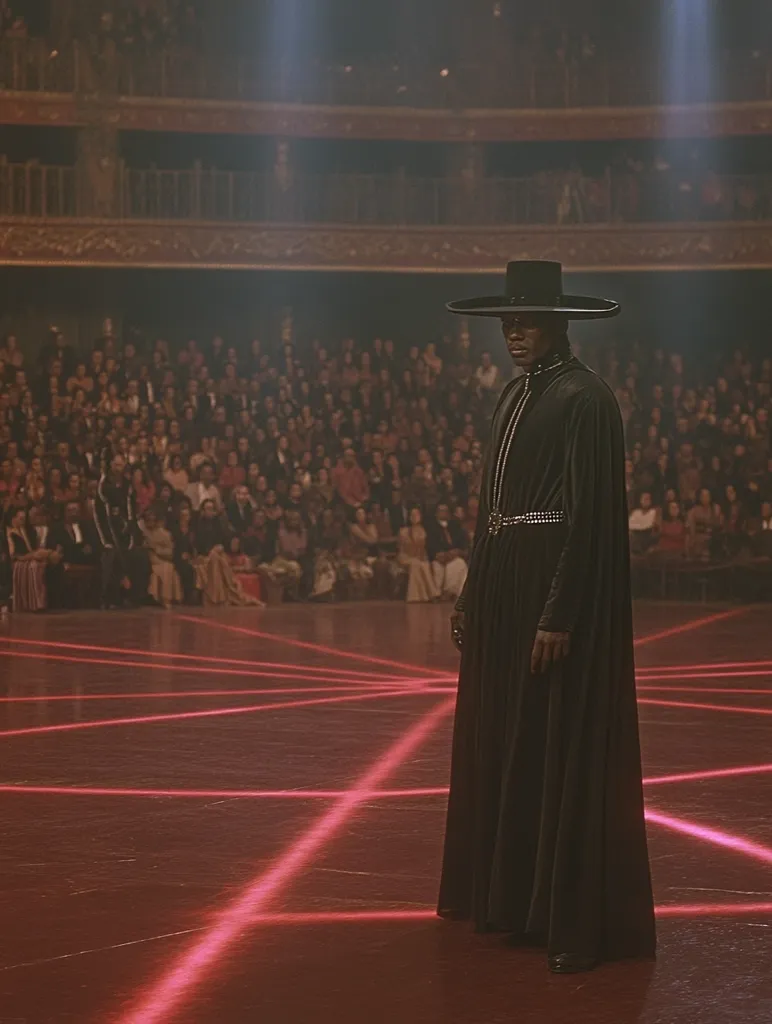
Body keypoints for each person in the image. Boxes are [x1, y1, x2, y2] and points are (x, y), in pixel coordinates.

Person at [439, 261, 655, 973]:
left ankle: (562, 914)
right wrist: (473, 591)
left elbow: (591, 519)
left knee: (552, 741)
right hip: (503, 582)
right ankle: (509, 902)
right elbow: (488, 508)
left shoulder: (586, 399)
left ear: (559, 323)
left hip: (548, 588)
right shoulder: (510, 397)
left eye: (526, 322)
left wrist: (559, 612)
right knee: (507, 741)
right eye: (507, 323)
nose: (513, 335)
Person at [93, 452, 151, 608]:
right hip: (106, 532)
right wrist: (106, 540)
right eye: (116, 465)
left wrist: (131, 533)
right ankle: (111, 597)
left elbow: (131, 511)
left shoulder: (127, 485)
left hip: (125, 531)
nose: (118, 468)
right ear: (111, 465)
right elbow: (101, 516)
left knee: (140, 555)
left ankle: (134, 595)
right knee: (112, 554)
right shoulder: (104, 486)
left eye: (121, 465)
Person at [141, 508, 182, 608]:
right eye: (148, 520)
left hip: (162, 559)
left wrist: (157, 549)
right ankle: (163, 599)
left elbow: (170, 552)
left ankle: (166, 599)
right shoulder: (142, 533)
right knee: (165, 568)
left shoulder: (165, 534)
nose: (150, 522)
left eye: (152, 520)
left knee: (168, 567)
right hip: (148, 560)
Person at [427, 502, 469, 600]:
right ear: (436, 513)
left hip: (454, 556)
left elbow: (463, 545)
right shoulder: (431, 528)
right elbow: (430, 546)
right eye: (440, 511)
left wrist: (456, 552)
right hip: (438, 557)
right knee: (437, 567)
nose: (443, 513)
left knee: (459, 564)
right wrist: (439, 555)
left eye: (445, 511)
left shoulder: (456, 526)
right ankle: (437, 594)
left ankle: (450, 593)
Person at [397, 506, 440, 603]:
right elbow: (401, 548)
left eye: (416, 514)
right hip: (405, 556)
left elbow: (422, 548)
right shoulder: (403, 531)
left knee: (423, 564)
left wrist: (421, 556)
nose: (414, 517)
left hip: (419, 557)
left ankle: (428, 595)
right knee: (416, 563)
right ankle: (419, 595)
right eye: (412, 515)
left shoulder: (423, 531)